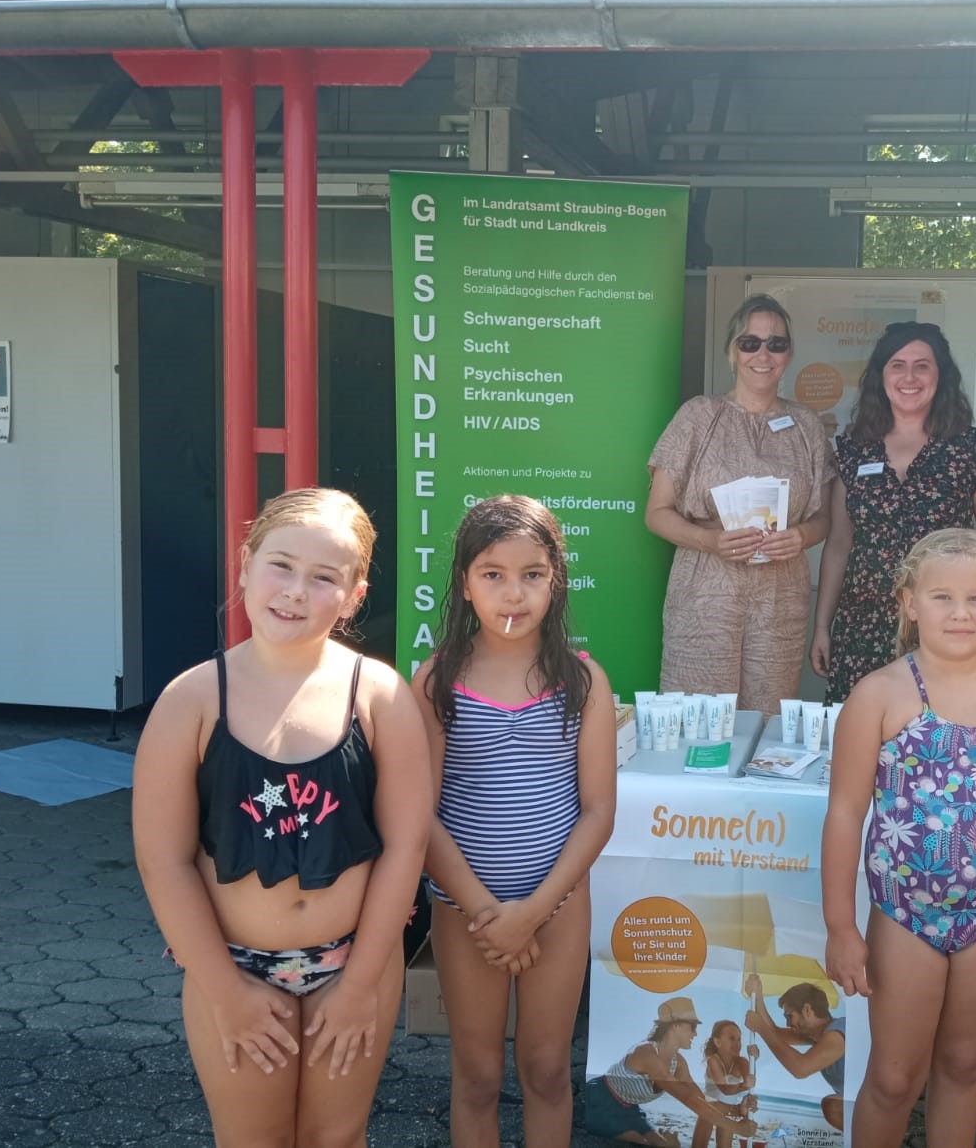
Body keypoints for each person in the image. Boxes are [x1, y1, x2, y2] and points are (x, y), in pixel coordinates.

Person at [132, 487, 432, 1146]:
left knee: (337, 1137)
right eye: (281, 564)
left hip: (356, 963)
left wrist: (358, 985)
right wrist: (225, 990)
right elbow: (164, 859)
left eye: (324, 577)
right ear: (244, 564)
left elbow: (407, 846)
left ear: (354, 595)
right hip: (232, 967)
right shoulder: (190, 699)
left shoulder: (379, 694)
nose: (296, 591)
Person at [822, 528, 976, 1148]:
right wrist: (841, 928)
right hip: (905, 915)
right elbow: (846, 813)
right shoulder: (877, 695)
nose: (960, 613)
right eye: (941, 597)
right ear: (908, 602)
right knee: (895, 1078)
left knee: (961, 1065)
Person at [413, 494, 618, 1148]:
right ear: (465, 582)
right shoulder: (437, 679)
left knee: (547, 1068)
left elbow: (599, 811)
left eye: (532, 573)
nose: (513, 592)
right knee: (475, 1075)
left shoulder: (584, 680)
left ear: (556, 579)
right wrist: (486, 912)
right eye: (492, 574)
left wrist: (531, 912)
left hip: (557, 909)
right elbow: (419, 813)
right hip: (462, 910)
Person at [647, 294, 835, 714]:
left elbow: (824, 516)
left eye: (776, 344)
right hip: (705, 589)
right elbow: (656, 513)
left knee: (766, 719)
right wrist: (707, 540)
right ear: (733, 352)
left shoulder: (806, 424)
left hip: (779, 593)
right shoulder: (699, 415)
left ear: (789, 353)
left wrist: (803, 535)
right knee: (698, 719)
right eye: (750, 343)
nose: (763, 354)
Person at [811, 321, 976, 704]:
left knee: (938, 740)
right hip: (862, 629)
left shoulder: (975, 450)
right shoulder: (854, 451)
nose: (909, 376)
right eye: (897, 365)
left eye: (922, 365)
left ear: (941, 376)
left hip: (944, 627)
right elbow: (839, 545)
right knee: (864, 742)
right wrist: (822, 626)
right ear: (880, 376)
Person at [585, 997, 760, 1146]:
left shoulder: (679, 1063)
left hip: (630, 1110)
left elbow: (701, 1100)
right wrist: (735, 1127)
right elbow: (690, 1100)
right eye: (692, 1027)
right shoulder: (647, 1053)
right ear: (675, 1025)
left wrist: (738, 1110)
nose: (695, 1034)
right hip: (600, 1101)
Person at [742, 976, 847, 1130]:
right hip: (865, 1105)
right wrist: (758, 997)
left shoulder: (838, 1034)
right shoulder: (820, 1035)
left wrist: (761, 1029)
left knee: (832, 1107)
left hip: (877, 1105)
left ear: (807, 1010)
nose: (788, 1024)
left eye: (789, 1016)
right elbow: (775, 1034)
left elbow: (800, 1069)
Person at [690, 1019, 758, 1148]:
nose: (737, 1043)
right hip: (710, 1108)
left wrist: (754, 1059)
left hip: (729, 1110)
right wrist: (743, 1086)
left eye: (739, 1039)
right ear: (717, 1042)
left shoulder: (742, 1062)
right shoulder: (713, 1061)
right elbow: (724, 1089)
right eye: (731, 1039)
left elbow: (751, 1079)